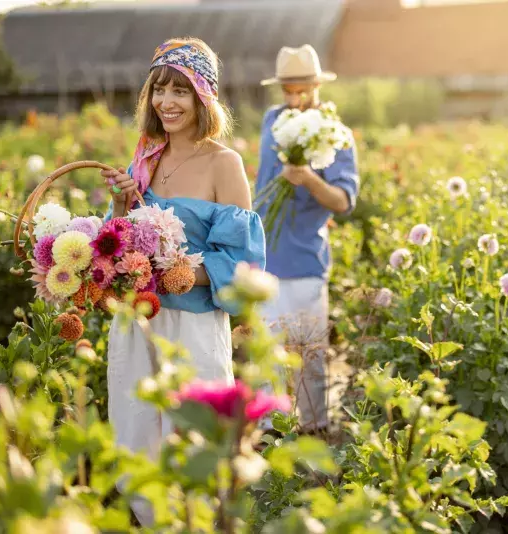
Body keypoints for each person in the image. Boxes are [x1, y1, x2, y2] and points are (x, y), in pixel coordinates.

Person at [101, 37, 265, 525]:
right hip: (139, 324)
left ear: (203, 97)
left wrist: (183, 275)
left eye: (181, 91)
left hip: (193, 326)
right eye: (159, 90)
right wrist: (118, 208)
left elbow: (243, 258)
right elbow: (118, 243)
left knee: (197, 436)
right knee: (136, 431)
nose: (166, 103)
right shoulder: (144, 162)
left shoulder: (224, 164)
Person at [255, 45, 359, 434]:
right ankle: (268, 433)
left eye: (303, 90)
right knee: (265, 355)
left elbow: (344, 202)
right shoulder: (270, 120)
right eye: (288, 91)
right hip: (264, 256)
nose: (295, 99)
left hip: (304, 262)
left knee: (308, 356)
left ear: (317, 85)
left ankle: (314, 431)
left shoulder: (336, 134)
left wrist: (308, 179)